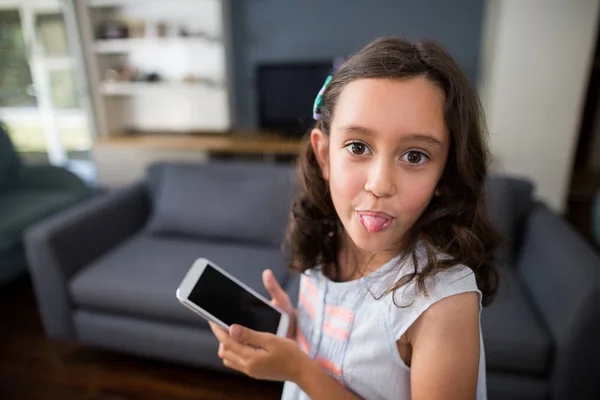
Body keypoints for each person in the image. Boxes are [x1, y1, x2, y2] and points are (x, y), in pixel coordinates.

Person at [209, 36, 500, 400]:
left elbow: (315, 373)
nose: (379, 185)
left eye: (414, 156)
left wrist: (298, 370)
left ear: (445, 173)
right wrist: (293, 331)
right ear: (324, 155)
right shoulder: (329, 243)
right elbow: (340, 353)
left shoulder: (442, 301)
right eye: (358, 147)